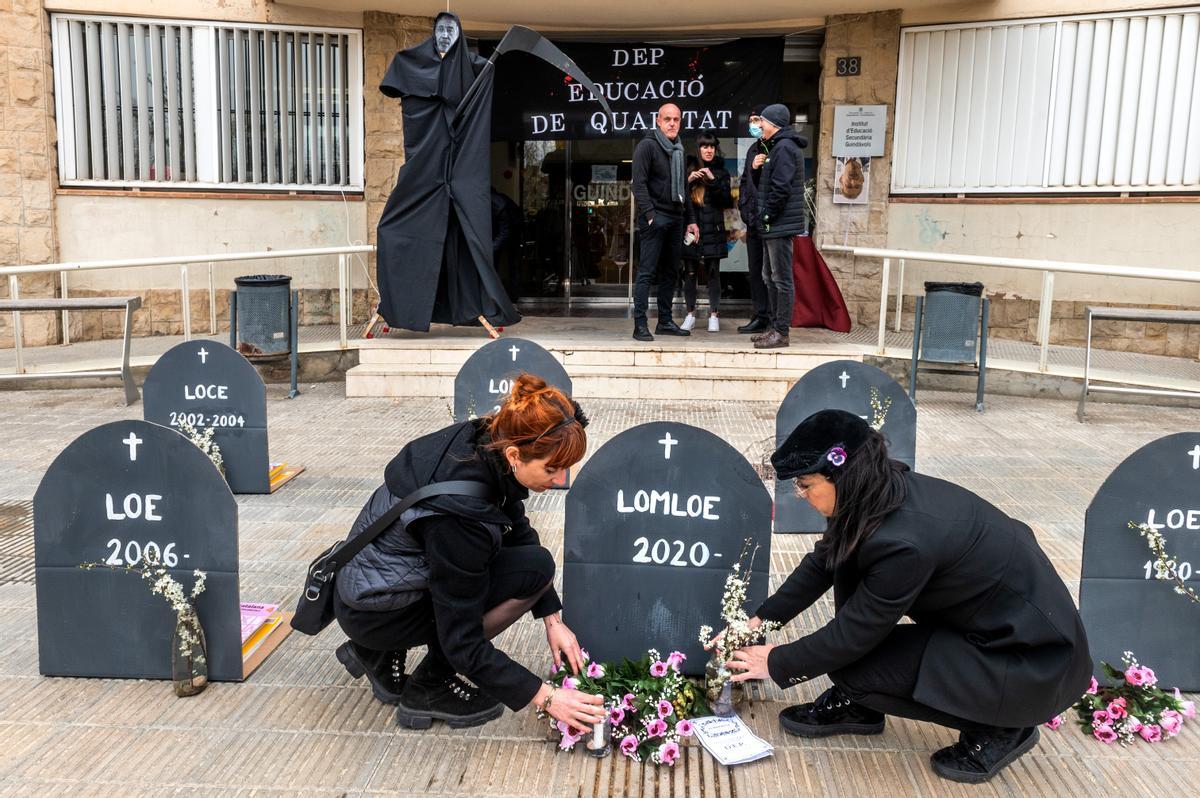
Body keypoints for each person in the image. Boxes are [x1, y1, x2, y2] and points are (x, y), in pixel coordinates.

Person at [719, 409, 1091, 784]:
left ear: (840, 475)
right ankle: (862, 704)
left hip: (1029, 657)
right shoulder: (871, 493)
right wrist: (759, 621)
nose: (799, 496)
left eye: (805, 485)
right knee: (849, 568)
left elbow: (854, 635)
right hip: (985, 629)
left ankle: (1004, 726)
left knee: (850, 664)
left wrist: (777, 661)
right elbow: (824, 563)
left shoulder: (904, 542)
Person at [333, 374, 606, 734]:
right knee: (521, 576)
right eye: (551, 469)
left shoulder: (486, 440)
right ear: (515, 456)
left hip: (369, 589)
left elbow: (519, 533)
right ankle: (429, 687)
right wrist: (548, 697)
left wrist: (553, 621)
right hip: (374, 610)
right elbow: (462, 641)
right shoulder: (459, 518)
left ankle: (375, 653)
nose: (560, 481)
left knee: (535, 565)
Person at [630, 103, 700, 342]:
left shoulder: (679, 149)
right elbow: (638, 185)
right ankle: (640, 324)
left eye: (676, 119)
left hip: (676, 217)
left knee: (671, 272)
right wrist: (650, 214)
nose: (672, 123)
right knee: (647, 273)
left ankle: (665, 321)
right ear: (658, 121)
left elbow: (683, 188)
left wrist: (691, 220)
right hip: (655, 218)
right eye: (667, 119)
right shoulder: (647, 146)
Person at [753, 103, 807, 350]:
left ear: (773, 123)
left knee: (781, 278)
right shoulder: (777, 146)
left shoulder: (784, 148)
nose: (758, 125)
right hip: (774, 224)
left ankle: (781, 332)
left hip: (779, 223)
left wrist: (766, 215)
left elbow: (781, 189)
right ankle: (774, 327)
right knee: (769, 276)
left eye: (761, 121)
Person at [679, 133, 733, 333]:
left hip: (714, 229)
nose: (709, 150)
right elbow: (678, 200)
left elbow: (727, 202)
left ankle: (713, 316)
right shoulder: (689, 168)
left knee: (713, 273)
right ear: (698, 149)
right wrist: (689, 181)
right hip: (692, 229)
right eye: (705, 147)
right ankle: (690, 314)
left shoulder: (721, 172)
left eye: (712, 147)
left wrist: (713, 180)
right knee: (690, 273)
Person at [735, 107, 771, 335]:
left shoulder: (777, 147)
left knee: (772, 272)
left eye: (757, 120)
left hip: (770, 221)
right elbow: (746, 181)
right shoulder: (752, 149)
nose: (754, 124)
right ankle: (760, 315)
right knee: (755, 270)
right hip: (753, 221)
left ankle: (774, 318)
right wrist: (744, 209)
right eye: (751, 121)